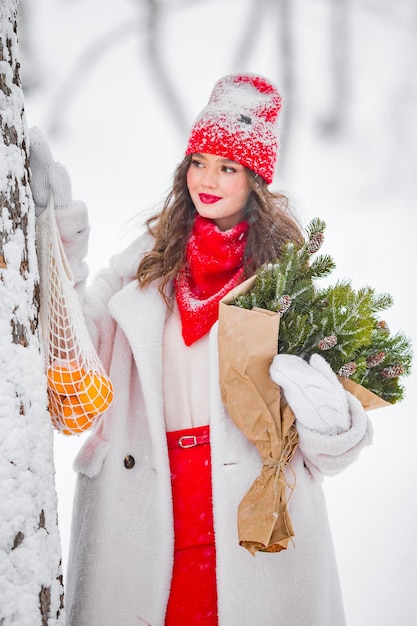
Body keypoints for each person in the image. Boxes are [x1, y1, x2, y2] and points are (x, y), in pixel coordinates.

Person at [30, 73, 372, 626]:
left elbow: (334, 452)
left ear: (254, 179)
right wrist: (56, 233)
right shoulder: (143, 266)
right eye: (199, 162)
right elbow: (72, 349)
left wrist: (328, 416)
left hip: (249, 516)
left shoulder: (286, 282)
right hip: (144, 506)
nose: (207, 180)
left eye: (228, 167)